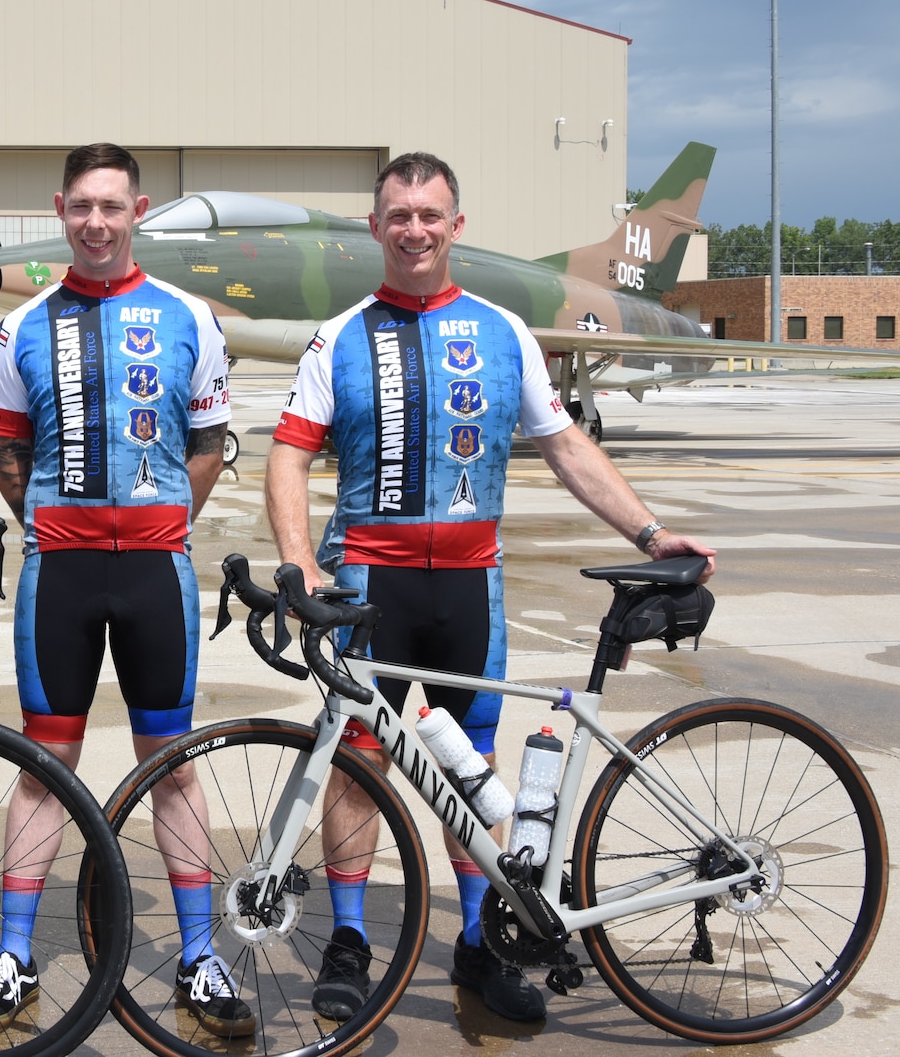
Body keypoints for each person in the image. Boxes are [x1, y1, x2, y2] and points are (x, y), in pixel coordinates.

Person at [263, 151, 715, 1026]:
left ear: (455, 225)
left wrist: (652, 533)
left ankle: (481, 941)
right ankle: (351, 938)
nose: (415, 228)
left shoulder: (504, 330)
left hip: (470, 587)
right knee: (360, 765)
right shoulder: (341, 334)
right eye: (399, 214)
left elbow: (567, 445)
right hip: (369, 582)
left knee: (474, 771)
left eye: (431, 214)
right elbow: (288, 453)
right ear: (377, 227)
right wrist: (300, 562)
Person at [0, 143, 248, 1037]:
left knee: (170, 767)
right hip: (61, 568)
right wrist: (64, 524)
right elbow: (9, 451)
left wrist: (156, 521)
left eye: (112, 206)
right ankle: (15, 956)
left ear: (139, 210)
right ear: (61, 208)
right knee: (44, 766)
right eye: (82, 206)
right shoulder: (21, 328)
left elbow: (208, 445)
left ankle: (200, 957)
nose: (96, 222)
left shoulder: (190, 319)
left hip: (155, 571)